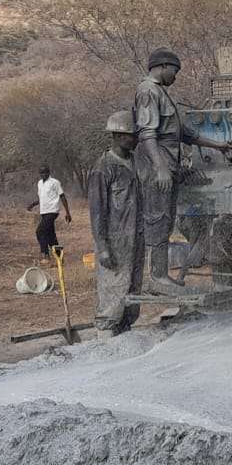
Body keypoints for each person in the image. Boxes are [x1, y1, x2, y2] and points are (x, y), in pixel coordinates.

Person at [134, 48, 232, 295]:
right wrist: (160, 169)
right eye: (175, 71)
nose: (175, 77)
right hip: (158, 168)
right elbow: (147, 134)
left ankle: (161, 276)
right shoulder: (148, 91)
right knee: (158, 221)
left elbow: (184, 134)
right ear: (164, 66)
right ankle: (158, 277)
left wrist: (217, 145)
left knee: (166, 221)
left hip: (168, 166)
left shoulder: (161, 93)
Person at [89, 111, 143, 337]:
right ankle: (106, 339)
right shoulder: (104, 168)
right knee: (113, 291)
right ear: (119, 136)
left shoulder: (135, 163)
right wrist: (102, 247)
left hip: (136, 237)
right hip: (114, 240)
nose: (136, 139)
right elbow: (97, 211)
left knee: (132, 290)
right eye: (133, 136)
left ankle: (125, 333)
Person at [26, 166, 71, 261]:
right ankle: (59, 256)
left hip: (52, 211)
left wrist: (67, 212)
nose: (44, 174)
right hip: (44, 211)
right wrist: (33, 204)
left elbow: (62, 196)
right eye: (41, 173)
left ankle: (45, 255)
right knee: (51, 235)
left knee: (40, 231)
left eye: (45, 172)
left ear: (49, 172)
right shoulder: (39, 183)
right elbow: (42, 197)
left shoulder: (55, 182)